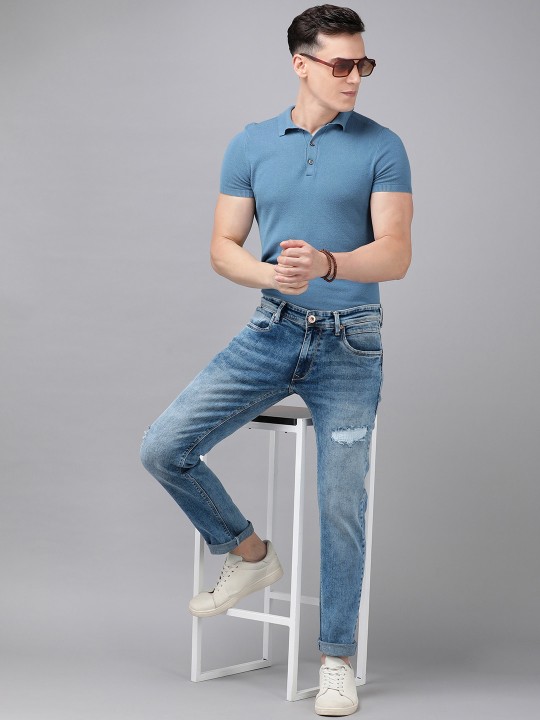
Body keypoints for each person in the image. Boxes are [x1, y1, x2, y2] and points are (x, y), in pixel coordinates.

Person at [140, 4, 413, 715]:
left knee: (341, 504)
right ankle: (249, 553)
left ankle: (337, 661)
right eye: (341, 64)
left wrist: (327, 263)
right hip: (272, 330)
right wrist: (274, 276)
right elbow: (222, 247)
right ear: (301, 63)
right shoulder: (252, 143)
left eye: (363, 64)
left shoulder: (383, 145)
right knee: (164, 446)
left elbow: (396, 254)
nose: (355, 76)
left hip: (351, 341)